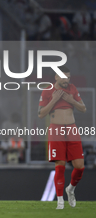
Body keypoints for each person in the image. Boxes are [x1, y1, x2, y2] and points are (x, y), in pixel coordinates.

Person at [38, 66, 86, 209]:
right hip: (56, 130)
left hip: (71, 129)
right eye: (64, 77)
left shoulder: (72, 89)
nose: (67, 80)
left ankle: (70, 189)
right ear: (56, 77)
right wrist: (54, 100)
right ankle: (60, 200)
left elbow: (83, 108)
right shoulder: (47, 91)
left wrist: (71, 100)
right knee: (60, 165)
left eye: (68, 77)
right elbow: (41, 114)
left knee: (80, 166)